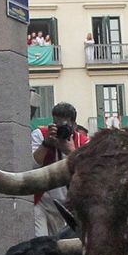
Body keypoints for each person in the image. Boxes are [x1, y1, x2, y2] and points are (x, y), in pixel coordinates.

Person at [29, 102, 88, 237]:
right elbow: (32, 165)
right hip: (42, 201)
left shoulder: (84, 142)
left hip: (69, 205)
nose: (61, 129)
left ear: (74, 125)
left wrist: (71, 151)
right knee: (40, 240)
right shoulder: (41, 134)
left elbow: (89, 173)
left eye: (65, 125)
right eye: (57, 123)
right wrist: (46, 144)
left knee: (63, 241)